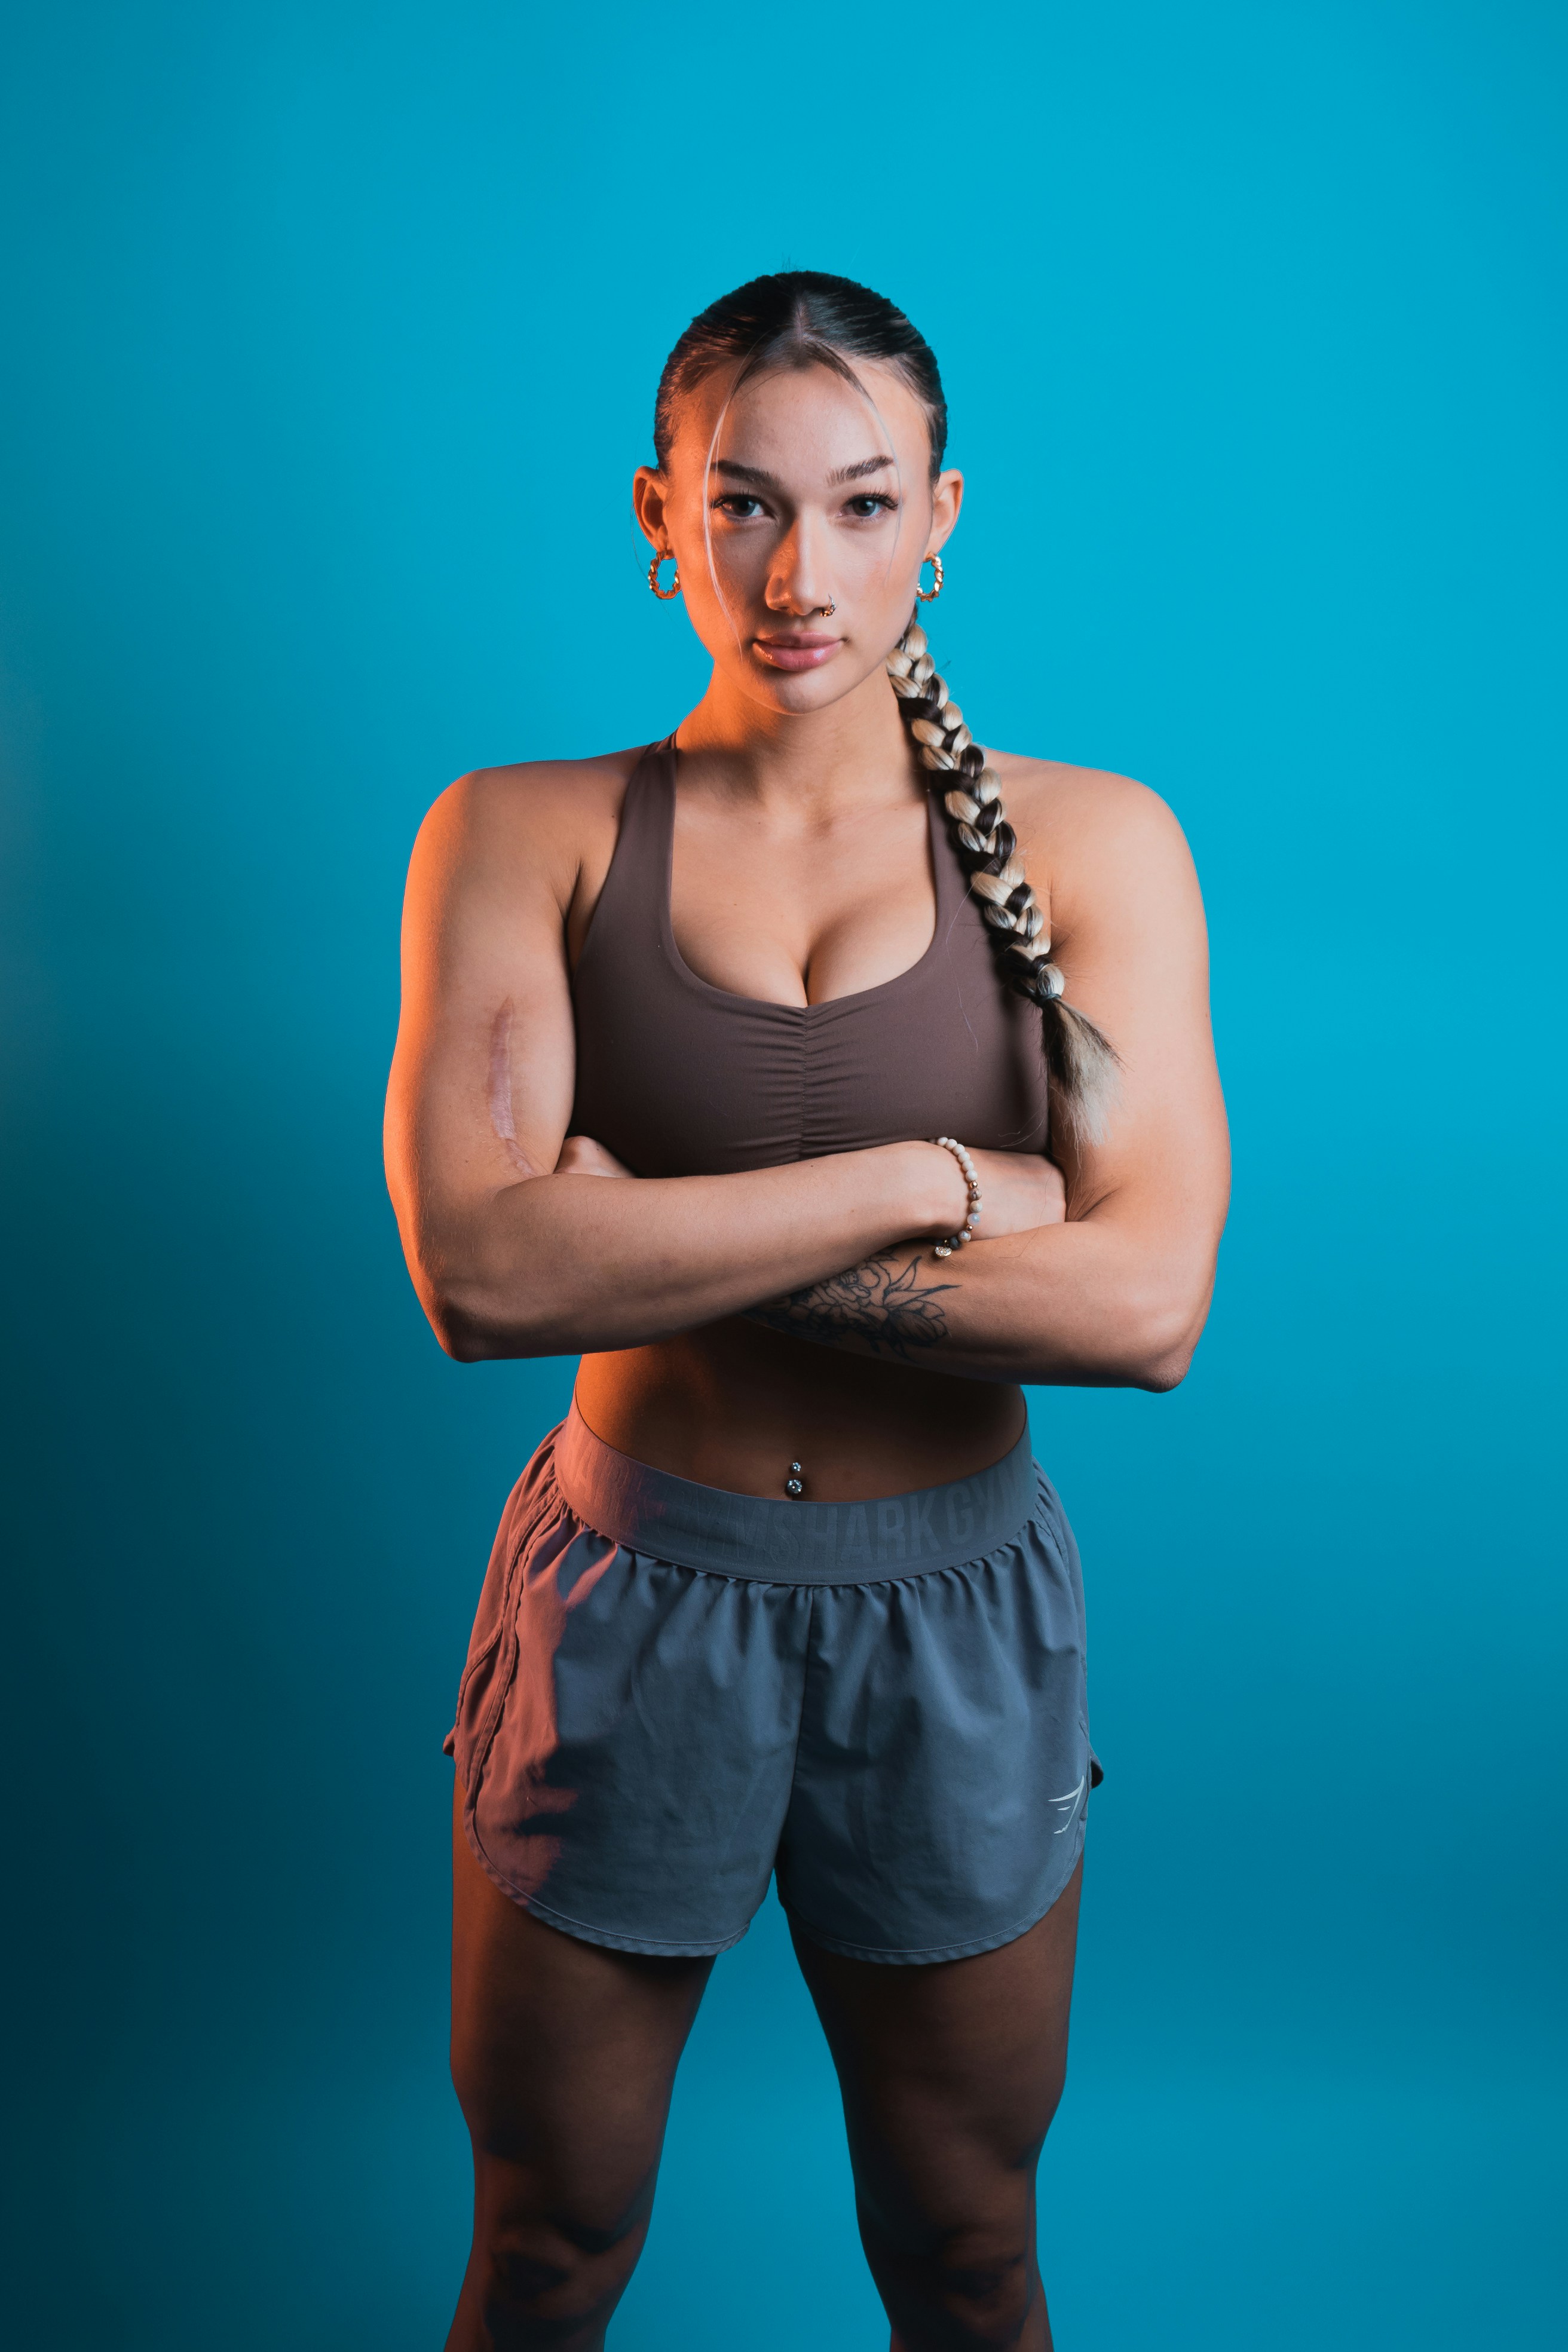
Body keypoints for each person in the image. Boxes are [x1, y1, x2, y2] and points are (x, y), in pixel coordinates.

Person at [384, 271, 1229, 2352]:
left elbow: (1145, 1309)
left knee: (965, 2254)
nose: (799, 570)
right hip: (632, 1598)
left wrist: (650, 1227)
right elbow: (484, 1277)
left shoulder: (1101, 844)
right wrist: (932, 1185)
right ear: (659, 515)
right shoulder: (523, 835)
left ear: (945, 513)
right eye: (745, 506)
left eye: (860, 507)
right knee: (549, 2248)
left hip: (954, 1615)